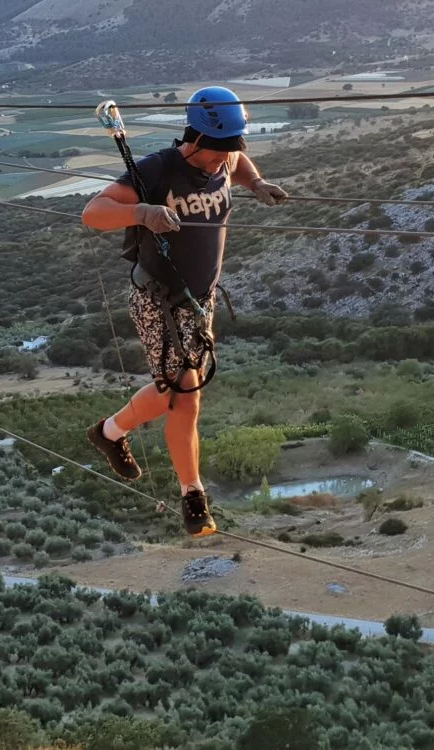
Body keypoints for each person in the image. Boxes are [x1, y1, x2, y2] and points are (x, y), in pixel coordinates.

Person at [82, 85, 287, 537]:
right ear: (193, 140)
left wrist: (255, 183)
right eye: (217, 152)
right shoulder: (157, 170)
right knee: (186, 395)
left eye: (230, 151)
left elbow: (238, 164)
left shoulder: (226, 157)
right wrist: (142, 212)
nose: (224, 160)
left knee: (175, 392)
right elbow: (93, 213)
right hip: (159, 300)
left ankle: (110, 432)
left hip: (201, 301)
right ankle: (192, 494)